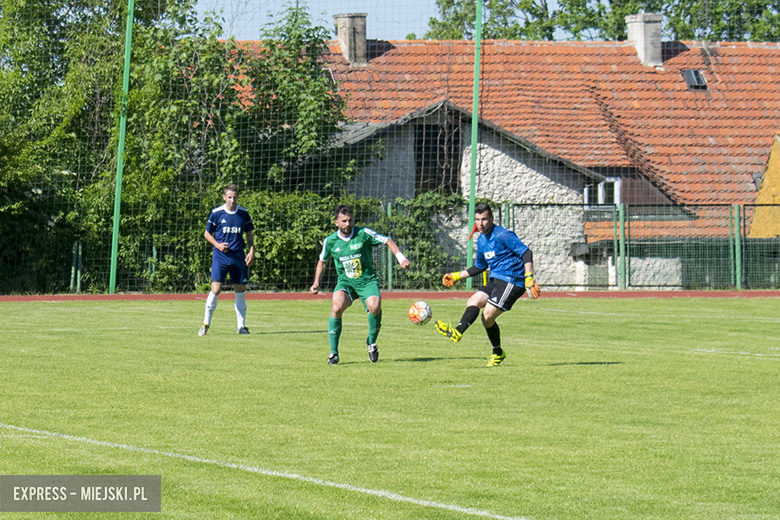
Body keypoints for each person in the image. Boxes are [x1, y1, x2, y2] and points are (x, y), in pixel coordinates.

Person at [435, 203, 541, 366]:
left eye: (484, 219)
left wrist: (529, 277)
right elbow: (480, 266)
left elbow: (526, 252)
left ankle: (485, 346)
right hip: (496, 280)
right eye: (477, 220)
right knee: (473, 301)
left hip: (512, 280)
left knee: (488, 315)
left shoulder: (503, 235)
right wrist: (457, 276)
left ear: (491, 218)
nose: (481, 223)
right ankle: (464, 334)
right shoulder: (482, 241)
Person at [310, 204, 411, 365]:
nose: (347, 224)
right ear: (336, 222)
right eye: (343, 221)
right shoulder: (330, 241)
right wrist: (316, 282)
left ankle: (371, 342)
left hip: (367, 281)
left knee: (375, 307)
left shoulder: (363, 234)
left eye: (350, 220)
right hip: (346, 283)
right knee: (336, 307)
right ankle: (333, 353)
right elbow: (322, 261)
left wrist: (401, 258)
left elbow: (387, 241)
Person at [198, 184, 255, 336]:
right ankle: (205, 324)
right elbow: (206, 233)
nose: (232, 200)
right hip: (220, 256)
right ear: (224, 197)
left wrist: (251, 250)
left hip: (238, 256)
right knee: (216, 289)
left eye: (234, 197)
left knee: (240, 289)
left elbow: (249, 234)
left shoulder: (243, 213)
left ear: (238, 197)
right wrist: (217, 244)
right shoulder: (216, 213)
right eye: (229, 197)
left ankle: (241, 326)